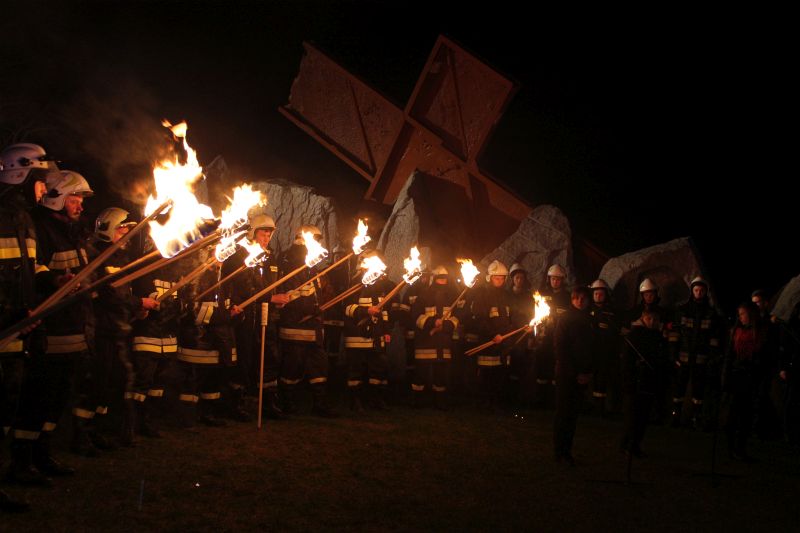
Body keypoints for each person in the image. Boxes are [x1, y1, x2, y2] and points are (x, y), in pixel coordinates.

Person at [0, 143, 55, 509]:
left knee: (6, 407)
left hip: (16, 328)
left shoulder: (24, 219)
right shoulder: (3, 215)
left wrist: (47, 288)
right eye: (39, 179)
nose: (44, 188)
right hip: (4, 326)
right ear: (21, 174)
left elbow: (26, 273)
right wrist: (11, 311)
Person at [91, 208, 156, 446]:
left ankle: (109, 429)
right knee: (100, 383)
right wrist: (139, 301)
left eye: (128, 230)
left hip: (118, 329)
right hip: (101, 330)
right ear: (108, 229)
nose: (126, 234)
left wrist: (135, 308)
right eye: (121, 229)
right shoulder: (100, 256)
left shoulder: (120, 258)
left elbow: (122, 294)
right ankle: (88, 434)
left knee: (117, 381)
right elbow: (110, 293)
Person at [276, 225, 336, 417]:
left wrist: (324, 299)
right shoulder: (291, 260)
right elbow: (293, 293)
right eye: (317, 240)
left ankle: (319, 404)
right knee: (292, 366)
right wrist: (311, 308)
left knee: (319, 366)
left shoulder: (311, 264)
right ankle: (288, 403)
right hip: (295, 326)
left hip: (313, 326)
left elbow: (317, 292)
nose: (319, 244)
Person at [669, 276, 724, 429]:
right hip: (683, 358)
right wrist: (673, 355)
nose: (699, 293)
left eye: (701, 290)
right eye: (696, 290)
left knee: (698, 390)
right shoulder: (682, 310)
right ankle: (676, 415)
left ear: (705, 292)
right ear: (692, 291)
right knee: (679, 387)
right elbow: (674, 334)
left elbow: (714, 337)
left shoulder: (711, 313)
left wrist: (712, 357)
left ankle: (696, 417)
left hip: (701, 359)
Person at [343, 249, 394, 411]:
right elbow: (347, 308)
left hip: (376, 335)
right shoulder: (355, 282)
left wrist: (386, 331)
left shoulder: (380, 284)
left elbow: (384, 310)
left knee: (378, 368)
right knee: (355, 370)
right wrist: (366, 311)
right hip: (357, 335)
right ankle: (355, 400)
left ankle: (375, 399)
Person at [553, 285, 593, 465]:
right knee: (563, 414)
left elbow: (593, 349)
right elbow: (561, 348)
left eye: (584, 298)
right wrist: (574, 373)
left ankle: (567, 450)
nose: (580, 301)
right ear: (572, 299)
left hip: (582, 374)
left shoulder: (591, 320)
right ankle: (559, 452)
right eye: (577, 297)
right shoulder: (565, 319)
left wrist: (588, 372)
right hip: (567, 374)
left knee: (573, 416)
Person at [620, 309, 668, 457]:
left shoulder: (658, 337)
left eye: (655, 320)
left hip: (649, 382)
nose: (652, 322)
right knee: (633, 416)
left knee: (643, 416)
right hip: (635, 382)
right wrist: (631, 377)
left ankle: (635, 444)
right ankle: (627, 444)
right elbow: (627, 361)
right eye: (649, 319)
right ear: (643, 319)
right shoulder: (634, 336)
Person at [411, 265, 459, 409]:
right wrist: (432, 322)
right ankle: (418, 400)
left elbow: (458, 317)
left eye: (444, 279)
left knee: (441, 372)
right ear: (434, 279)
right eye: (439, 278)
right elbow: (415, 316)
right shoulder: (424, 295)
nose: (442, 281)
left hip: (443, 340)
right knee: (421, 372)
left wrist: (447, 325)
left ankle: (440, 401)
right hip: (425, 340)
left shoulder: (452, 296)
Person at [532, 264, 571, 407]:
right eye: (553, 279)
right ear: (549, 279)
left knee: (556, 368)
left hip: (559, 337)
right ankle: (540, 399)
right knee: (542, 365)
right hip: (544, 337)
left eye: (558, 279)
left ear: (563, 280)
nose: (555, 282)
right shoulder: (542, 294)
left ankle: (555, 401)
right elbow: (535, 314)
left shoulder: (567, 297)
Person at [588, 279, 622, 416]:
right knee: (593, 378)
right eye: (596, 294)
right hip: (591, 350)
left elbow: (616, 331)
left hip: (607, 351)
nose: (598, 296)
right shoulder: (588, 310)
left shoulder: (612, 312)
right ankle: (592, 406)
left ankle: (601, 408)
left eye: (601, 294)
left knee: (604, 379)